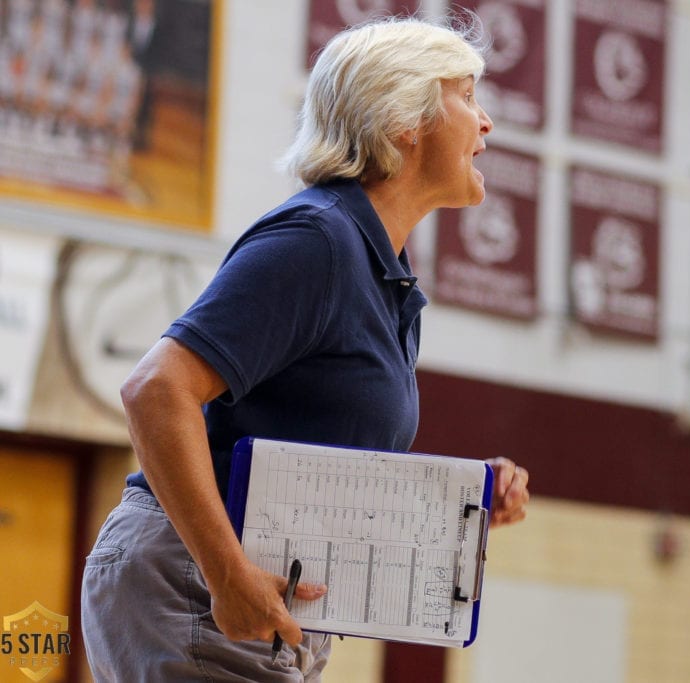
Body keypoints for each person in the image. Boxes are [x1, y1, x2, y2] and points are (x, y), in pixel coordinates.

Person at [81, 13, 530, 681]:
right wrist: (225, 569)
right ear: (403, 119)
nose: (485, 122)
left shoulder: (383, 270)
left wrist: (461, 499)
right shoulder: (318, 241)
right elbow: (155, 390)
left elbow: (321, 468)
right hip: (193, 583)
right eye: (466, 96)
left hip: (245, 596)